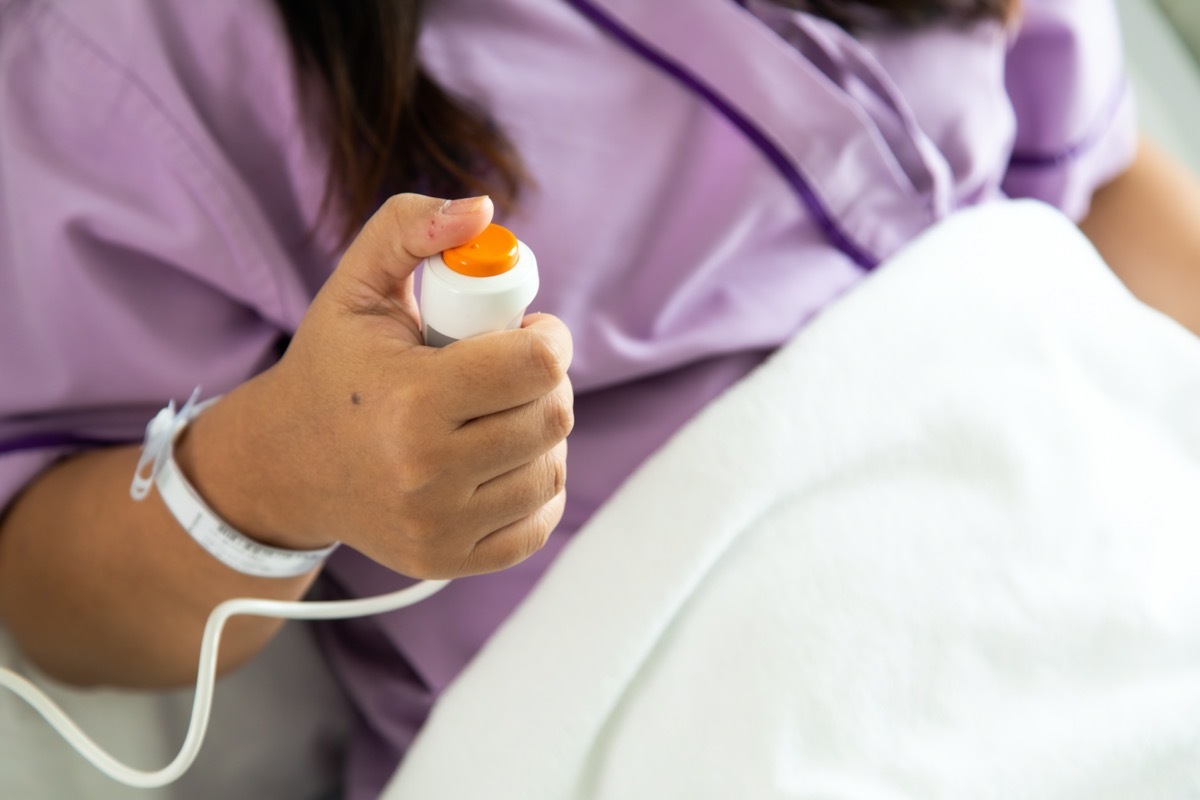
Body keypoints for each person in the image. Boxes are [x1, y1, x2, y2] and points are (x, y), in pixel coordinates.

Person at [2, 0, 1199, 797]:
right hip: (705, 699)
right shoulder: (132, 44)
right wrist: (289, 468)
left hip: (1115, 544)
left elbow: (1100, 185)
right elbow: (48, 593)